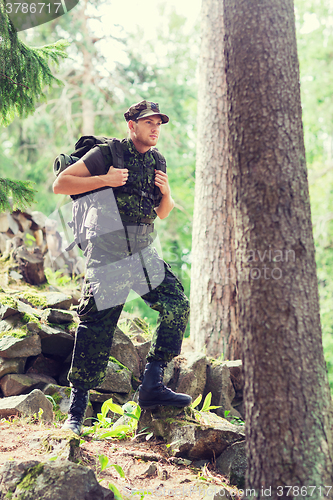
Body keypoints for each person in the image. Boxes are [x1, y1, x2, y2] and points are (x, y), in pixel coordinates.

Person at [53, 100, 191, 435]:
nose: (155, 128)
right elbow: (61, 184)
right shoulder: (108, 154)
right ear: (132, 125)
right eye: (149, 122)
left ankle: (153, 384)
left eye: (159, 123)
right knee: (97, 329)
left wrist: (167, 192)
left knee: (177, 305)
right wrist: (105, 179)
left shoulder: (158, 160)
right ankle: (76, 413)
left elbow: (161, 213)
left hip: (143, 255)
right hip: (109, 254)